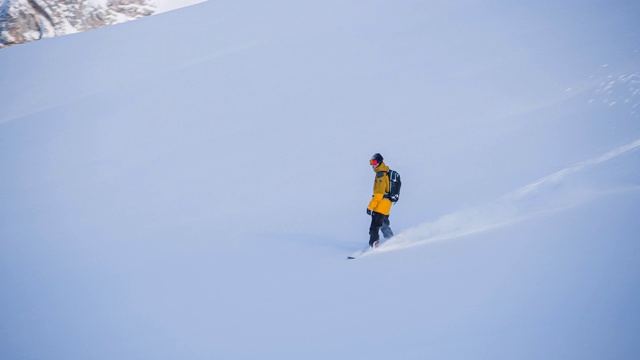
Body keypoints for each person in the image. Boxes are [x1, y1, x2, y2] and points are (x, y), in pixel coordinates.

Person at [367, 153, 394, 248]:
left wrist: (370, 207)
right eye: (371, 162)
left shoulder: (381, 175)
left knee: (374, 227)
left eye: (374, 162)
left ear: (379, 162)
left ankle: (373, 245)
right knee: (383, 225)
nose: (372, 165)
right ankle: (391, 239)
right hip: (387, 205)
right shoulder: (385, 172)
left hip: (381, 205)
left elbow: (378, 195)